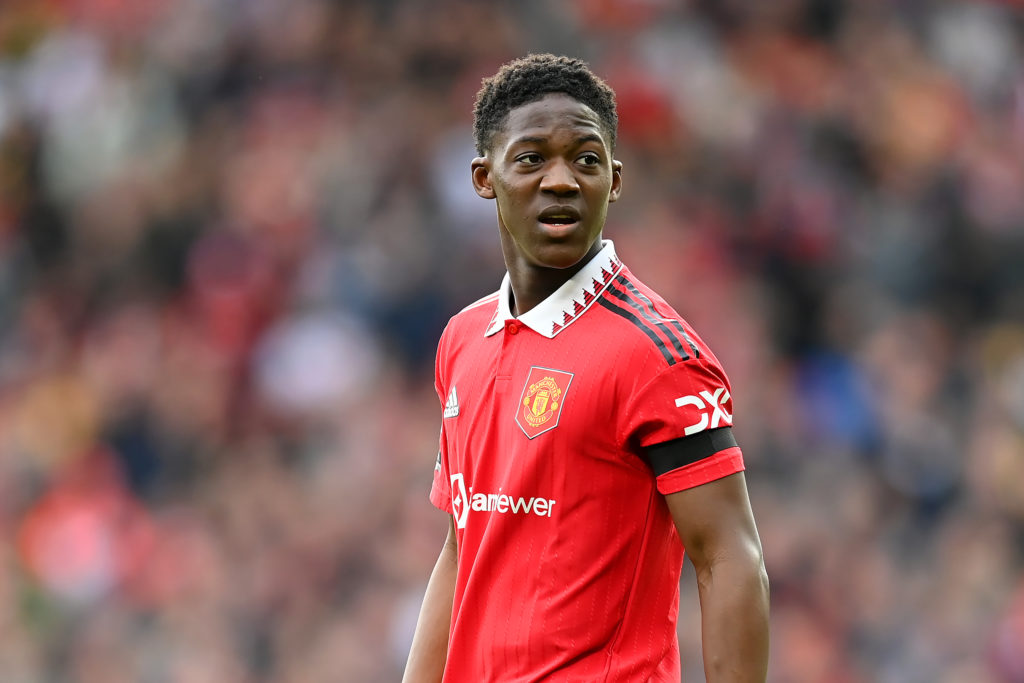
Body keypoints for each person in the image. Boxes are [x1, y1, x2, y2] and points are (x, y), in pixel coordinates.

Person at [403, 53, 769, 683]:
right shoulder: (461, 341)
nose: (562, 180)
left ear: (615, 180)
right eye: (531, 158)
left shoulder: (657, 355)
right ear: (483, 178)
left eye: (586, 159)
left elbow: (729, 559)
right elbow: (465, 543)